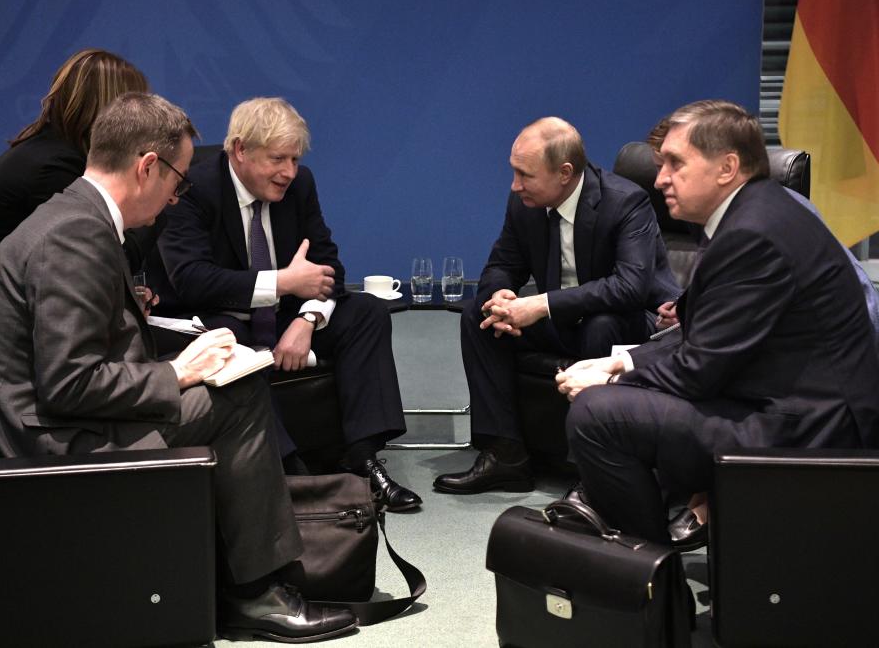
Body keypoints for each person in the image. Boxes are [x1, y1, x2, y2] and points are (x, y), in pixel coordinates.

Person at [0, 92, 358, 643]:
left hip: (28, 420)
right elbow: (69, 383)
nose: (176, 198)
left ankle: (247, 580)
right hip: (31, 445)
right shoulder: (77, 235)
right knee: (240, 397)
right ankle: (258, 593)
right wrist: (177, 372)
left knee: (229, 384)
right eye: (178, 182)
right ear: (146, 167)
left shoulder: (72, 212)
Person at [557, 100, 879, 544]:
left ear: (727, 167)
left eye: (675, 163)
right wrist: (621, 363)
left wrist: (614, 382)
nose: (659, 178)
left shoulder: (752, 232)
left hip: (805, 426)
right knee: (621, 400)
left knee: (597, 414)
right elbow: (709, 337)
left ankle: (648, 578)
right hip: (778, 395)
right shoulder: (752, 212)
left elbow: (699, 370)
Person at [150, 97, 421, 511]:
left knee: (366, 313)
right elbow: (191, 279)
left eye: (295, 159)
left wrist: (308, 319)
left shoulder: (300, 185)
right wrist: (283, 283)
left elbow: (328, 262)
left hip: (286, 315)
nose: (289, 172)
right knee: (228, 340)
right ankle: (290, 475)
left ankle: (363, 459)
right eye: (278, 159)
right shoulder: (194, 190)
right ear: (240, 150)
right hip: (218, 319)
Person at [433, 117, 679, 494]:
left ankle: (591, 471)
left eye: (525, 175)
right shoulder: (525, 203)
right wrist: (500, 297)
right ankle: (506, 454)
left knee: (602, 323)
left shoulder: (625, 202)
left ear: (565, 173)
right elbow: (503, 264)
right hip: (564, 322)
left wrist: (540, 305)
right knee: (478, 316)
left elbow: (629, 287)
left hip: (630, 324)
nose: (515, 185)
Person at [0, 48, 157, 400]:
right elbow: (113, 252)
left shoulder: (44, 153)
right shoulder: (55, 172)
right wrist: (156, 198)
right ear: (113, 111)